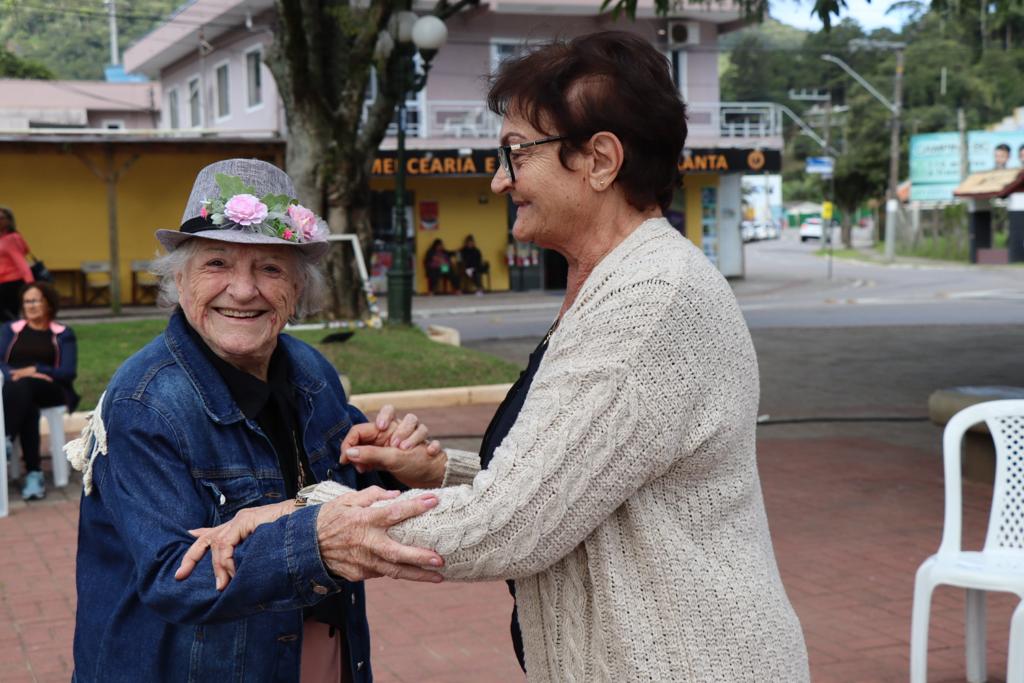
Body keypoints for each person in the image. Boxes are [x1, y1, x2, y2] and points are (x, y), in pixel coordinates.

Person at [181, 33, 810, 681]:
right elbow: (572, 470)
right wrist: (438, 470)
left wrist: (306, 515)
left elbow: (510, 523)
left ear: (599, 159)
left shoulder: (648, 298)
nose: (499, 178)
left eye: (516, 152)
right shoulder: (615, 280)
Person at [69, 158, 446, 683]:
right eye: (217, 264)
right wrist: (315, 541)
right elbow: (176, 577)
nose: (243, 291)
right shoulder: (145, 403)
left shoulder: (311, 371)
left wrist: (397, 466)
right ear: (180, 280)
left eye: (270, 268)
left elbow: (343, 484)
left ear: (299, 288)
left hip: (314, 649)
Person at [0, 282, 78, 500]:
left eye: (35, 300)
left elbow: (67, 372)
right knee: (28, 404)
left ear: (48, 303)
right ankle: (34, 474)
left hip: (52, 388)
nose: (31, 305)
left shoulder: (63, 334)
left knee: (24, 386)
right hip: (17, 390)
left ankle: (4, 439)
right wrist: (14, 374)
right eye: (27, 301)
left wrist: (36, 370)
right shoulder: (11, 330)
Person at [0, 207, 34, 321]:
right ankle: (16, 331)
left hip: (12, 281)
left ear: (9, 220)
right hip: (3, 280)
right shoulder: (3, 238)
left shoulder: (12, 238)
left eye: (1, 218)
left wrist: (30, 283)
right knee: (9, 312)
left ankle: (17, 330)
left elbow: (21, 261)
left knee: (9, 312)